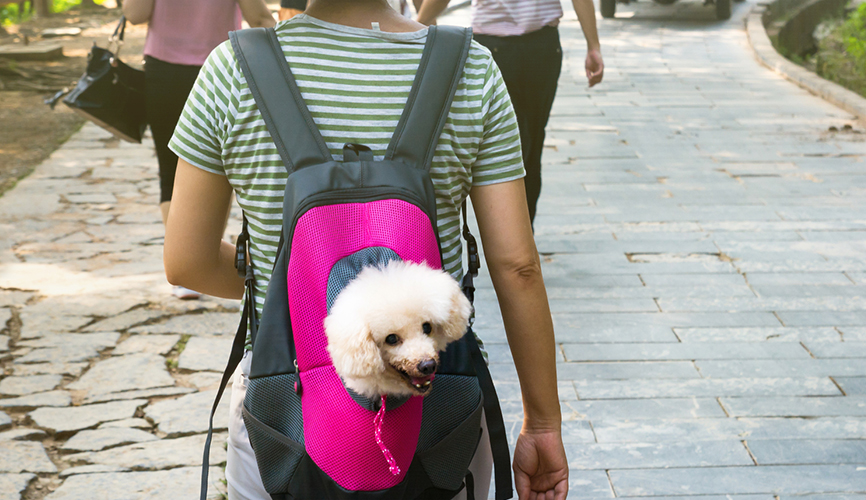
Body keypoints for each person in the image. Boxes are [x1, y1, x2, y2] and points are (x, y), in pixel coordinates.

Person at [161, 1, 568, 499]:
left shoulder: (232, 69)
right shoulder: (470, 68)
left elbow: (187, 261)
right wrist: (544, 424)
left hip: (283, 405)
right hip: (437, 406)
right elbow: (517, 267)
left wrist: (294, 291)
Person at [123, 0, 275, 300]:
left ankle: (190, 265)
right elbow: (258, 15)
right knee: (223, 170)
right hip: (224, 67)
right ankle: (207, 255)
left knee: (170, 169)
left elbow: (134, 14)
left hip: (164, 69)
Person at [416, 0, 604, 223]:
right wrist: (593, 45)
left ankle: (515, 236)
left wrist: (416, 25)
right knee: (528, 147)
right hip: (536, 48)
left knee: (501, 150)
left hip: (508, 48)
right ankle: (519, 236)